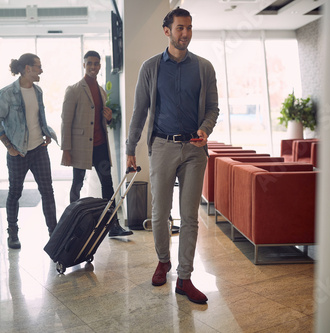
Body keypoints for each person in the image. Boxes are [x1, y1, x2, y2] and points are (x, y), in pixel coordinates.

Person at [126, 7, 219, 304]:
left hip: (194, 150)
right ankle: (163, 260)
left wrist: (205, 130)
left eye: (189, 28)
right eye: (180, 28)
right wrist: (130, 149)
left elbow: (213, 108)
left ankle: (185, 278)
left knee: (190, 216)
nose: (186, 33)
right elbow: (139, 112)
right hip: (162, 147)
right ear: (167, 31)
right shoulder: (150, 67)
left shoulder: (204, 67)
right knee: (160, 212)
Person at [0, 53, 58, 249]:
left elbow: (37, 117)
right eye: (38, 67)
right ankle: (12, 232)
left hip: (39, 149)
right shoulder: (7, 93)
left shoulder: (38, 91)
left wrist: (46, 133)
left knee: (48, 192)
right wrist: (9, 147)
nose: (41, 71)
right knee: (15, 192)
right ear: (27, 68)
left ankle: (54, 233)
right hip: (18, 151)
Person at [61, 50, 132, 237]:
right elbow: (65, 122)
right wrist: (66, 150)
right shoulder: (74, 89)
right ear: (84, 65)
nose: (93, 66)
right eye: (90, 63)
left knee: (108, 184)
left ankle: (112, 225)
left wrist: (108, 119)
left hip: (100, 146)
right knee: (77, 184)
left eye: (96, 63)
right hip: (80, 148)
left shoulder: (101, 90)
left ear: (100, 66)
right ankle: (72, 224)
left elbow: (101, 120)